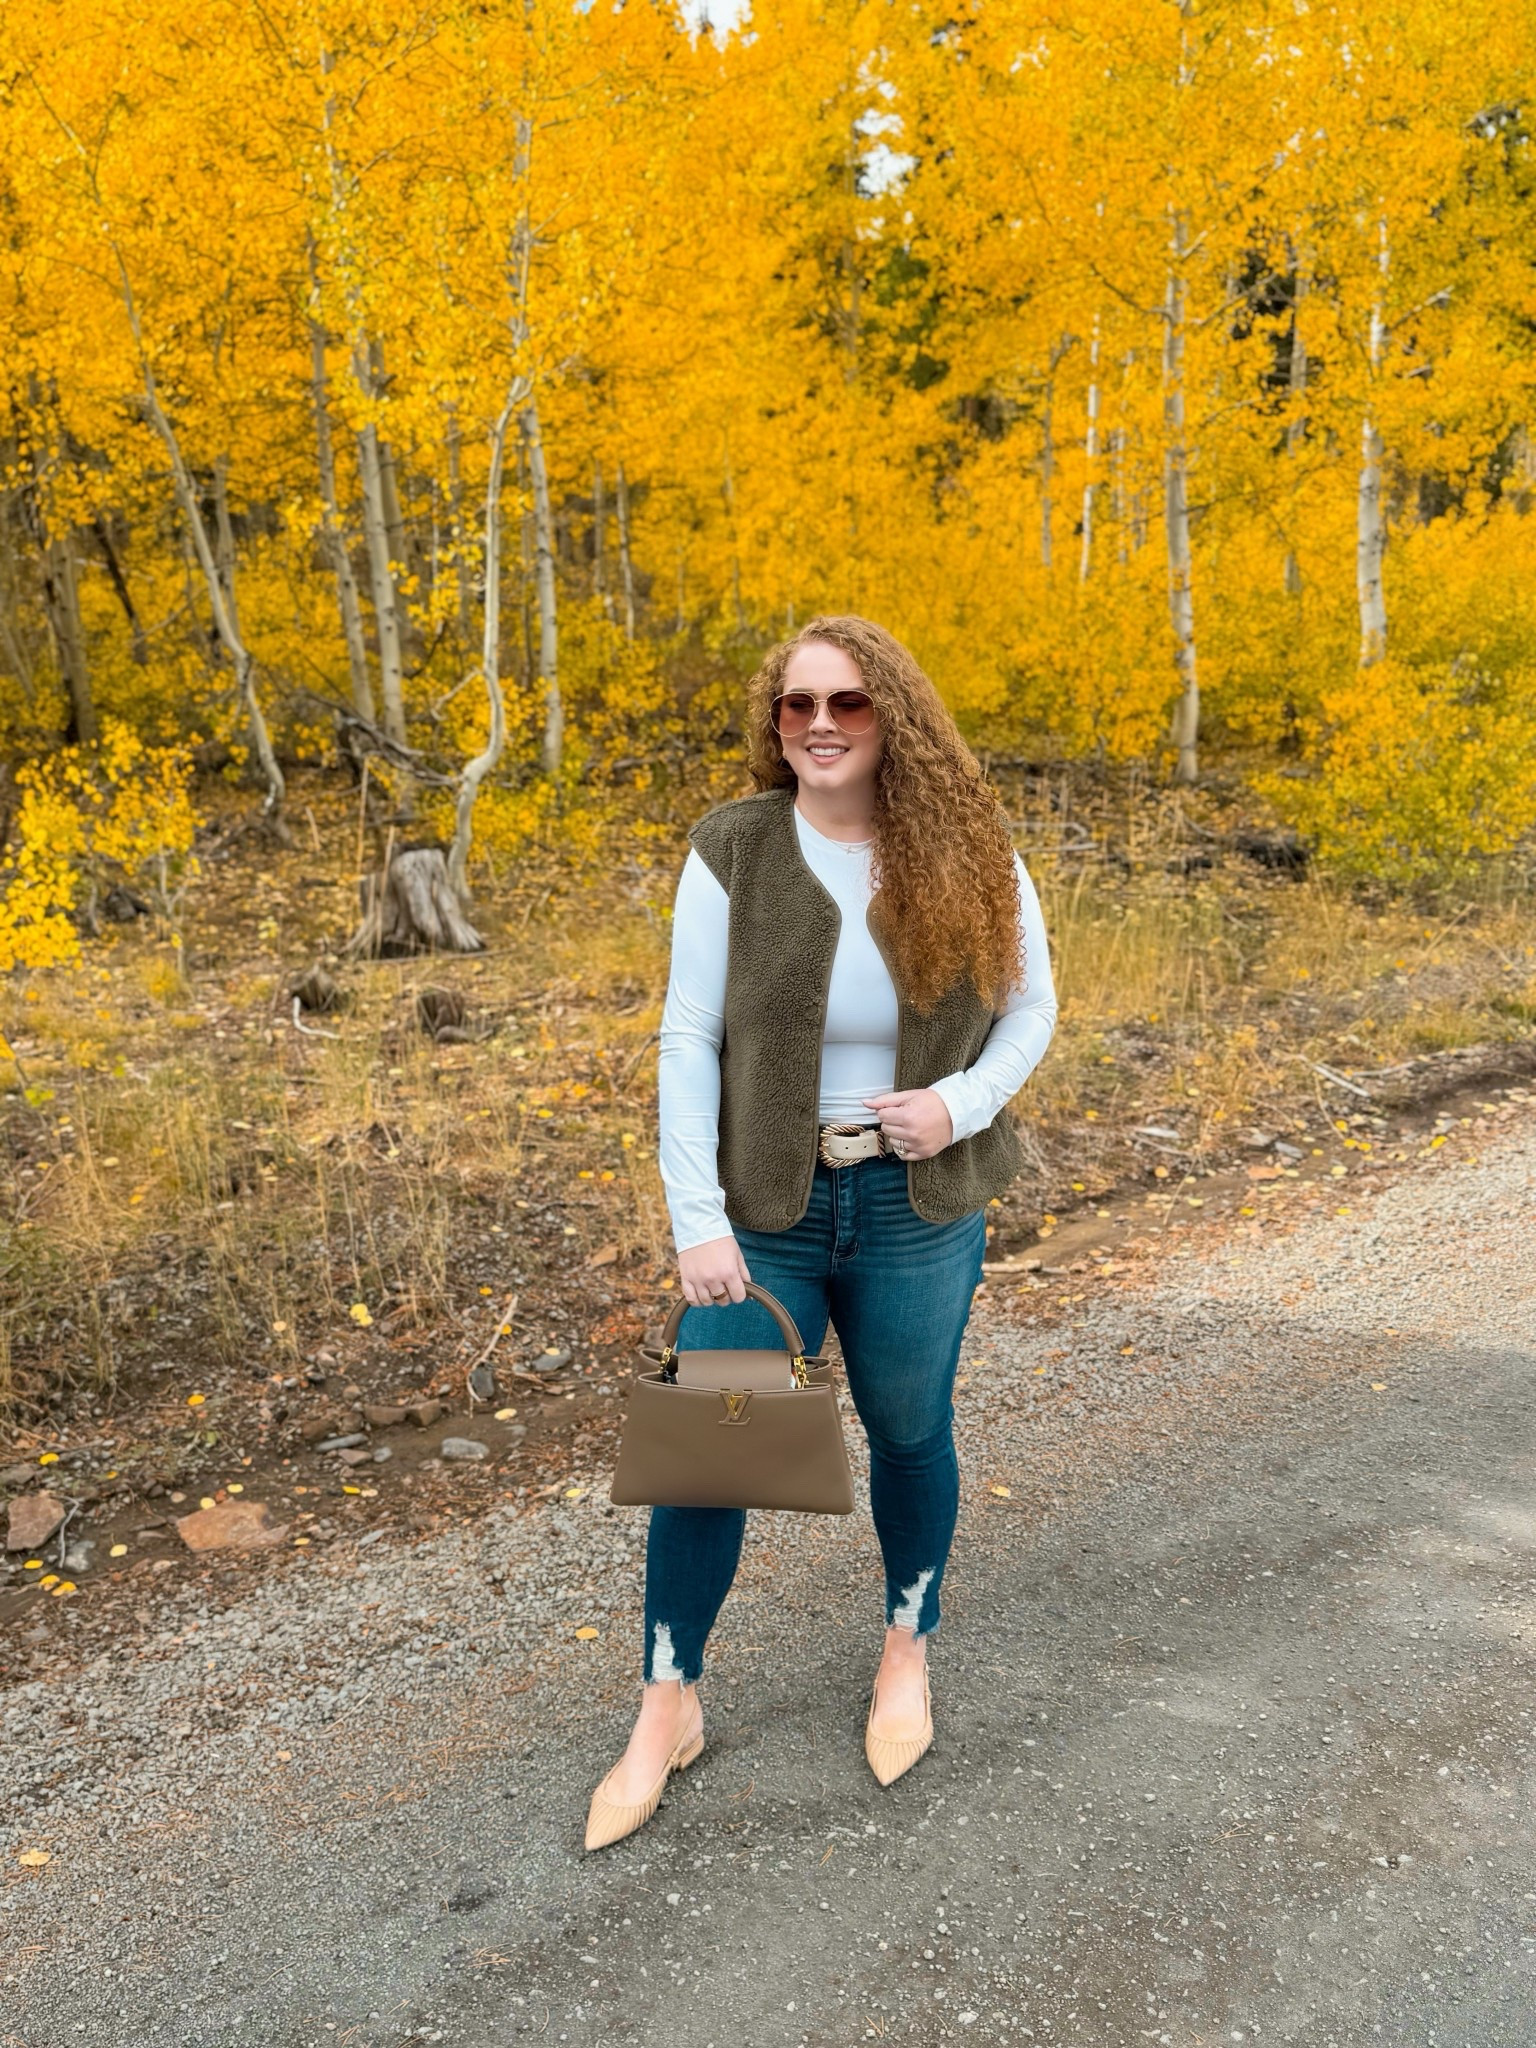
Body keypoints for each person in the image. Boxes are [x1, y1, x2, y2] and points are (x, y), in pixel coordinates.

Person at [584, 614, 1058, 1851]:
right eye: (798, 705)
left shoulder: (971, 850)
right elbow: (688, 1037)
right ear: (774, 721)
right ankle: (666, 1704)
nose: (822, 724)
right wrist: (699, 1220)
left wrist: (957, 1103)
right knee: (715, 1455)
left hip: (916, 1206)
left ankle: (907, 1645)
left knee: (909, 1430)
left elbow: (1032, 1011)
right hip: (764, 1212)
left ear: (893, 714)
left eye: (848, 701)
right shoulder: (732, 849)